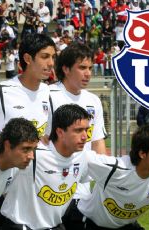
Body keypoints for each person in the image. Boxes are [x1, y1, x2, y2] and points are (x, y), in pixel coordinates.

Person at [0, 104, 92, 229]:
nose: (85, 136)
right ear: (60, 132)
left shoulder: (83, 157)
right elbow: (0, 178)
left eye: (86, 130)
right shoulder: (32, 154)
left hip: (54, 226)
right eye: (78, 130)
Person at [46, 43, 107, 229]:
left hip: (81, 191)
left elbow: (97, 142)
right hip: (49, 187)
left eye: (89, 68)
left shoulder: (93, 100)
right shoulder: (47, 95)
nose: (88, 73)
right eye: (82, 68)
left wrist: (104, 180)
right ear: (65, 69)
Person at [78, 125, 149, 230]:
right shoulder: (115, 169)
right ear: (142, 153)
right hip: (91, 224)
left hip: (126, 225)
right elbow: (82, 156)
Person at [0, 33, 56, 139]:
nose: (51, 63)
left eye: (53, 57)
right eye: (45, 57)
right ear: (28, 59)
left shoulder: (50, 93)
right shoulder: (0, 91)